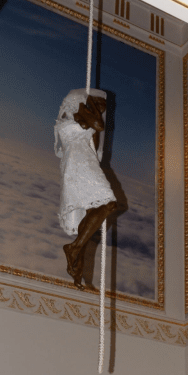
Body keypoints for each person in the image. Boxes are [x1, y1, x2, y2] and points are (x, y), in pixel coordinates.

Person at [55, 86, 117, 287]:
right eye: (100, 104)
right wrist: (94, 108)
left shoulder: (83, 116)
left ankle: (77, 261)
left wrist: (95, 113)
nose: (102, 109)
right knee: (108, 204)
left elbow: (95, 146)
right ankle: (74, 248)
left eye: (103, 106)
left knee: (92, 212)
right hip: (78, 161)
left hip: (83, 162)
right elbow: (99, 124)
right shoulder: (78, 110)